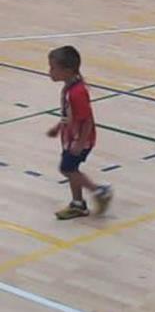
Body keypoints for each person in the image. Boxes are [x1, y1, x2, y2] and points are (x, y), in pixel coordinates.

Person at [46, 46, 113, 220]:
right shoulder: (68, 88)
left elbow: (87, 120)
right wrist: (58, 127)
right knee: (72, 169)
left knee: (67, 168)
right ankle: (78, 204)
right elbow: (69, 115)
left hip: (80, 140)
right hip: (70, 138)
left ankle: (99, 191)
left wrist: (80, 143)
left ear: (67, 70)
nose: (49, 72)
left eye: (53, 68)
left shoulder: (77, 93)